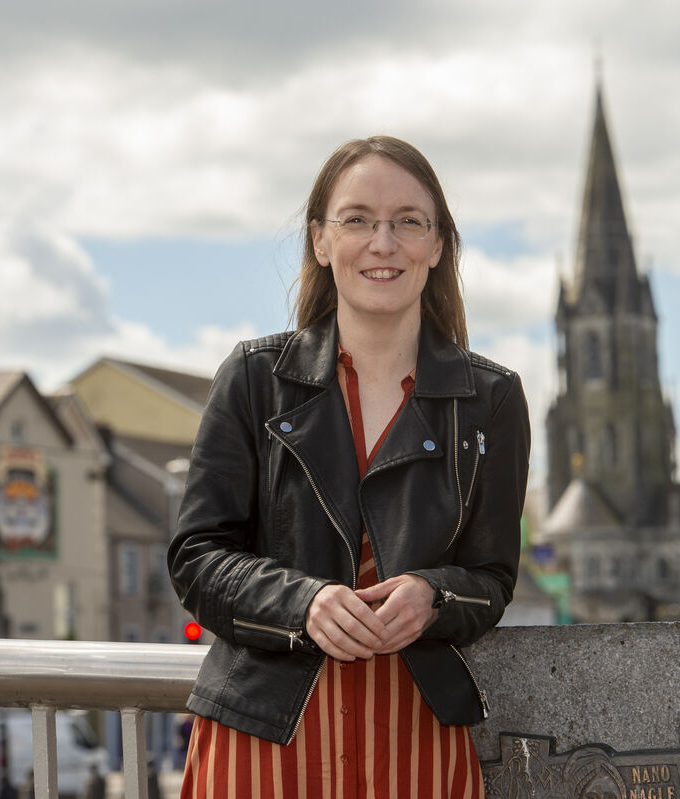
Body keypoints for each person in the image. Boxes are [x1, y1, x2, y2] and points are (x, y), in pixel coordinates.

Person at [168, 135, 532, 797]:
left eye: (407, 222)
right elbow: (196, 556)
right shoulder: (253, 378)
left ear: (439, 244)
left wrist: (434, 595)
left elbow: (494, 577)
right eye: (357, 219)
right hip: (265, 743)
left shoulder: (493, 399)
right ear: (320, 241)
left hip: (415, 740)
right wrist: (301, 601)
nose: (382, 243)